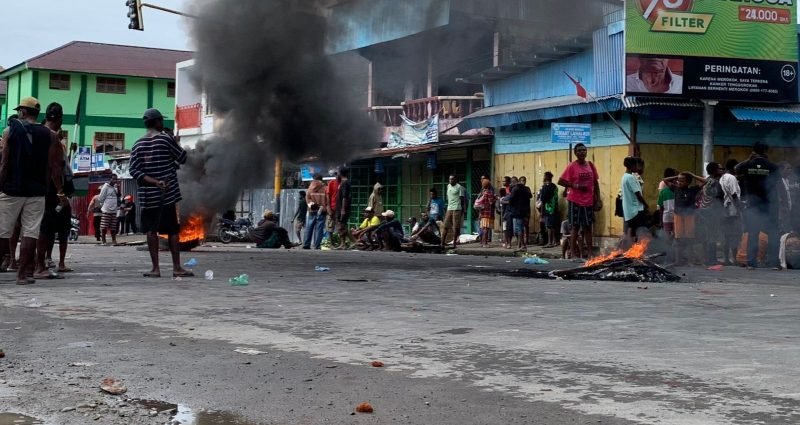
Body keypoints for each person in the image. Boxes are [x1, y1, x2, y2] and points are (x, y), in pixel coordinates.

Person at [0, 97, 65, 285]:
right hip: (36, 191)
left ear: (22, 112)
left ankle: (7, 263)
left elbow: (4, 164)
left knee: (3, 231)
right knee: (30, 232)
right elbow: (54, 167)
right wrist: (55, 191)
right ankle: (22, 275)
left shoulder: (9, 130)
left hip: (12, 189)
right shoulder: (50, 135)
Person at [128, 108, 193, 278]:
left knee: (151, 231)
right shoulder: (165, 139)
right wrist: (175, 141)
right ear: (157, 122)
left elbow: (134, 170)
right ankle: (176, 267)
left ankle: (155, 269)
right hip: (166, 196)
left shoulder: (137, 144)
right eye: (161, 121)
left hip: (147, 198)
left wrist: (151, 181)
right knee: (172, 230)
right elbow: (183, 158)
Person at [37, 103, 74, 277]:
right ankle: (40, 266)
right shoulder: (52, 136)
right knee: (47, 229)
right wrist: (60, 193)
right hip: (51, 190)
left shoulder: (37, 133)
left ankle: (36, 264)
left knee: (40, 229)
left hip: (37, 187)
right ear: (59, 119)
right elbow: (55, 167)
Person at [735, 142, 780, 270]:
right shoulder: (772, 166)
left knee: (753, 233)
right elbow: (776, 182)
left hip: (753, 204)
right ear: (766, 151)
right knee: (773, 233)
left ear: (753, 151)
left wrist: (749, 159)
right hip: (769, 204)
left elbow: (736, 169)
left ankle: (751, 262)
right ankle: (774, 263)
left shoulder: (747, 164)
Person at [558, 143, 600, 259]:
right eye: (579, 151)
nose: (582, 152)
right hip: (575, 200)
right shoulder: (572, 166)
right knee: (575, 227)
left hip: (588, 201)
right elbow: (561, 181)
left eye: (584, 150)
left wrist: (598, 199)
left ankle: (590, 253)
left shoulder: (590, 165)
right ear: (575, 153)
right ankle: (573, 252)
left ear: (586, 152)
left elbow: (596, 183)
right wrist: (576, 185)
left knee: (587, 227)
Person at [665, 172, 704, 266]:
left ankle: (690, 261)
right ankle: (678, 261)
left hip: (689, 216)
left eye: (682, 180)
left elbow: (705, 181)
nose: (679, 182)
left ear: (688, 182)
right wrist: (677, 176)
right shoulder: (676, 189)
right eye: (678, 180)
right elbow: (665, 180)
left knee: (689, 239)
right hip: (678, 216)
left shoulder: (692, 189)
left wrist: (692, 174)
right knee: (678, 239)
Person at [696, 163, 725, 265]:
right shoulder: (714, 182)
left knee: (708, 235)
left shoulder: (707, 181)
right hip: (712, 212)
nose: (722, 170)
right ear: (715, 171)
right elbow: (717, 196)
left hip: (705, 211)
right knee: (712, 236)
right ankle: (711, 259)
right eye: (720, 169)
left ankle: (709, 258)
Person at [621, 157, 649, 249]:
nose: (637, 168)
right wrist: (646, 204)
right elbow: (638, 194)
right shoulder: (630, 178)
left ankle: (632, 253)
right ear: (632, 166)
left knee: (632, 234)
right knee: (640, 233)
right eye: (636, 165)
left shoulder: (624, 177)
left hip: (629, 212)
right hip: (636, 210)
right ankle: (638, 252)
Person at [720, 159, 742, 266]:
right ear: (734, 167)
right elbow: (734, 194)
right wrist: (740, 209)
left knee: (726, 235)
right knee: (734, 234)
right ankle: (734, 258)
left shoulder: (722, 177)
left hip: (724, 210)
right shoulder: (732, 178)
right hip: (732, 210)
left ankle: (726, 259)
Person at [303, 174, 328, 250]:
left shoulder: (310, 188)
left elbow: (307, 198)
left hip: (312, 210)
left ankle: (306, 244)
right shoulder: (325, 188)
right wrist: (325, 208)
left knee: (309, 227)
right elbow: (328, 199)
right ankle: (317, 245)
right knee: (319, 229)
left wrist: (312, 206)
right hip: (322, 210)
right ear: (322, 179)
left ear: (314, 179)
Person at [442, 175, 466, 249]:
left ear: (455, 180)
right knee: (445, 226)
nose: (450, 180)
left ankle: (454, 243)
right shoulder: (448, 186)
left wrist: (462, 210)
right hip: (449, 208)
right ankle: (442, 242)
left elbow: (462, 199)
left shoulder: (459, 187)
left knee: (455, 227)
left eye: (452, 179)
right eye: (449, 179)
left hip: (456, 208)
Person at [777, 161, 800, 235]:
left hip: (789, 209)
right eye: (788, 168)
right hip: (782, 210)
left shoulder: (787, 179)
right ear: (781, 170)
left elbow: (788, 189)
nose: (790, 170)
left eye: (790, 168)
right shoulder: (778, 181)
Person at [98, 174, 120, 246]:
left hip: (114, 210)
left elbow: (119, 196)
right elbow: (101, 198)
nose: (115, 181)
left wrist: (118, 188)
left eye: (116, 179)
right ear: (110, 179)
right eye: (113, 179)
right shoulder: (105, 187)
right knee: (104, 226)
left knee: (113, 226)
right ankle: (103, 240)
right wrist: (103, 205)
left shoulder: (115, 187)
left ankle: (114, 240)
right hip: (106, 210)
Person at [336, 168, 354, 250]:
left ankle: (354, 241)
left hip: (343, 208)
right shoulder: (342, 182)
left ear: (340, 173)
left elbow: (344, 197)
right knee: (341, 225)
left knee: (342, 226)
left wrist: (343, 209)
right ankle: (343, 244)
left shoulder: (345, 183)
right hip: (340, 207)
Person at [475, 178, 496, 248]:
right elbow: (491, 202)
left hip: (483, 213)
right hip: (488, 213)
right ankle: (485, 243)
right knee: (486, 229)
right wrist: (495, 198)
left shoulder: (482, 192)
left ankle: (482, 242)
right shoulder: (489, 193)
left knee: (484, 228)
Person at [539, 172, 559, 248]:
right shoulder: (554, 186)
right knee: (553, 226)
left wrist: (541, 212)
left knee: (549, 226)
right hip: (555, 208)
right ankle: (555, 241)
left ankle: (549, 242)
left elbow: (543, 200)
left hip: (548, 208)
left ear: (546, 177)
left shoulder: (545, 187)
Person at [517, 176, 533, 246]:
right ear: (519, 181)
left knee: (526, 224)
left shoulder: (527, 188)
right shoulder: (517, 189)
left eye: (524, 180)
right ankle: (520, 240)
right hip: (520, 209)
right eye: (522, 180)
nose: (523, 182)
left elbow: (530, 196)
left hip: (527, 209)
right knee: (520, 225)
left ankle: (526, 239)